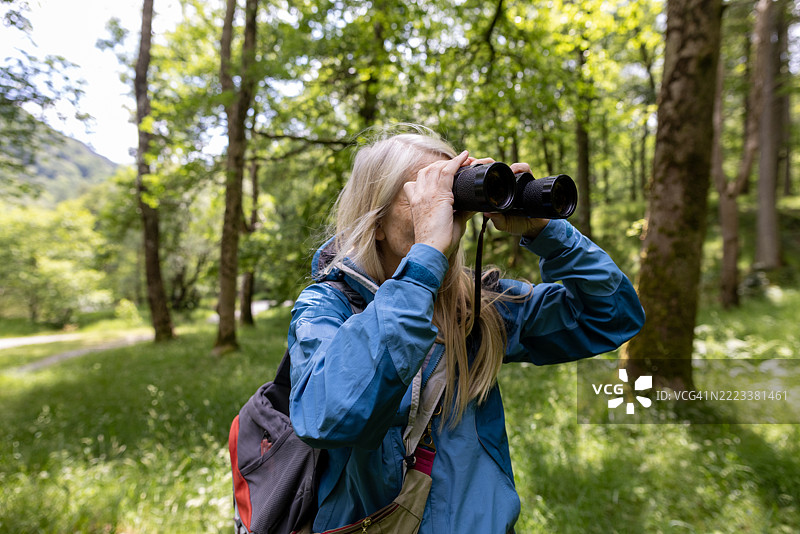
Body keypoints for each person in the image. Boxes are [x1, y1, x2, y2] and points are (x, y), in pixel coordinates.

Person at [287, 124, 645, 533]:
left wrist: (547, 233)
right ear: (378, 220)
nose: (443, 209)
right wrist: (421, 268)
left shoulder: (475, 307)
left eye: (451, 194)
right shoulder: (327, 307)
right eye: (425, 196)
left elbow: (612, 315)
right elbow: (329, 416)